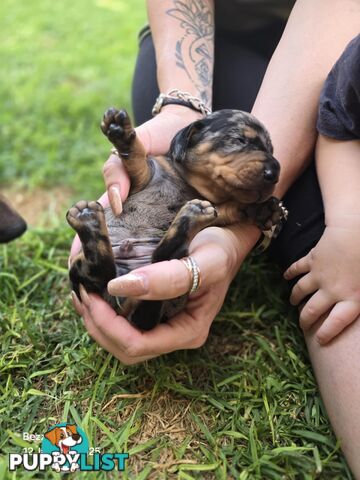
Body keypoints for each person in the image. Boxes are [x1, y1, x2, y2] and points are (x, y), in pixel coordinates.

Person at [70, 0, 360, 474]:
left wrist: (242, 228)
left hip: (340, 33)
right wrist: (182, 107)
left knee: (321, 229)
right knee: (318, 237)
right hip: (215, 48)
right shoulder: (193, 146)